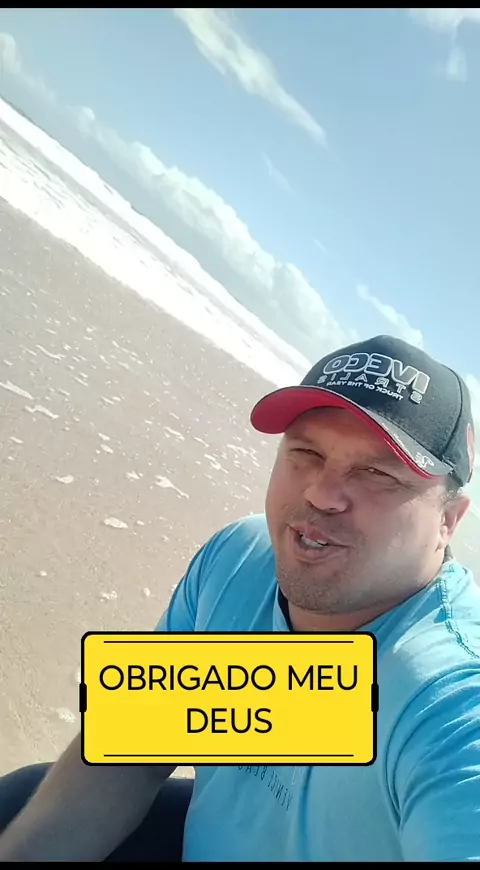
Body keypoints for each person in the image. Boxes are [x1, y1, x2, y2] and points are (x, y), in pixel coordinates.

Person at [1, 333, 480, 863]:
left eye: (376, 474)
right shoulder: (240, 560)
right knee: (20, 802)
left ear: (447, 520)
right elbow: (131, 753)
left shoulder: (451, 703)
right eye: (306, 453)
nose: (321, 493)